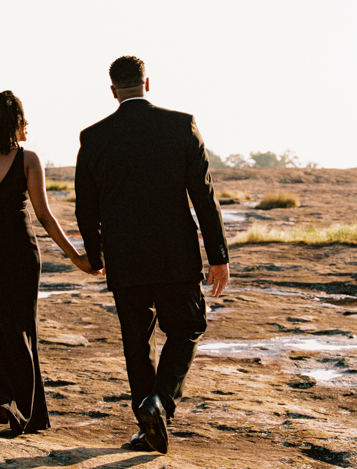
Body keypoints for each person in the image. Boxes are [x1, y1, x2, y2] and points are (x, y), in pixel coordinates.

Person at [74, 56, 230, 454]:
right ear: (147, 83)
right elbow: (204, 197)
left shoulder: (93, 137)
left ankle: (148, 428)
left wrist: (95, 256)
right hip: (175, 255)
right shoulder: (181, 125)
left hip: (125, 260)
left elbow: (85, 208)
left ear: (113, 90)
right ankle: (158, 404)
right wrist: (218, 256)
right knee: (188, 328)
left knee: (136, 344)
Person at [0, 90, 96, 435]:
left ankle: (3, 402)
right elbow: (45, 217)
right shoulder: (28, 159)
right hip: (19, 247)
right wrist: (76, 257)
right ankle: (24, 410)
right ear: (9, 123)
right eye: (21, 118)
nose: (27, 123)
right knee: (20, 326)